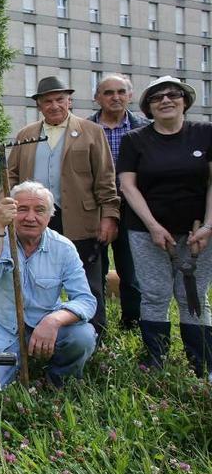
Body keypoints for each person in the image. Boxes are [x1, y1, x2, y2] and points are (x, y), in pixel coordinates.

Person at [9, 76, 119, 338]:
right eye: (48, 101)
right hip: (36, 218)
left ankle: (95, 336)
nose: (54, 105)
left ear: (69, 101)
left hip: (80, 218)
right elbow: (11, 174)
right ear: (39, 105)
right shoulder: (26, 135)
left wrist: (109, 217)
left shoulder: (91, 132)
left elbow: (106, 178)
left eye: (60, 99)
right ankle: (35, 332)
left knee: (89, 281)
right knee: (36, 278)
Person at [117, 76, 212, 379]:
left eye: (173, 95)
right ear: (148, 107)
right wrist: (153, 227)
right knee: (155, 294)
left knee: (193, 295)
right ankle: (155, 361)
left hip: (197, 234)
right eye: (157, 98)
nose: (166, 101)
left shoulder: (205, 134)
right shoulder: (136, 140)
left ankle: (202, 363)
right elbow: (128, 186)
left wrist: (209, 226)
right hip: (147, 233)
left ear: (185, 101)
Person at [0, 182, 97, 389]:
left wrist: (53, 321)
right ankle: (13, 359)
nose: (30, 217)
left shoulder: (63, 248)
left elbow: (86, 301)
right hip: (4, 329)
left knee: (82, 336)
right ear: (11, 211)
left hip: (45, 327)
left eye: (39, 210)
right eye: (22, 209)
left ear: (50, 216)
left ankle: (57, 380)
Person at [87, 75, 149, 330]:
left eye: (121, 92)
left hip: (134, 210)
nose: (115, 97)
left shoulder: (144, 129)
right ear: (97, 98)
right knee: (93, 271)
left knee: (131, 272)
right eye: (108, 92)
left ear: (130, 95)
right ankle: (95, 324)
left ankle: (131, 324)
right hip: (94, 209)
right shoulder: (84, 128)